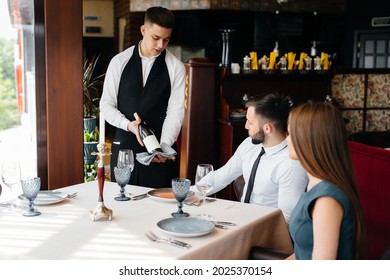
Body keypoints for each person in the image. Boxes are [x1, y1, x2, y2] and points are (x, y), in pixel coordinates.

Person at [100, 6, 185, 188]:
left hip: (160, 153)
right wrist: (128, 125)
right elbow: (106, 106)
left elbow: (175, 112)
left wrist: (164, 146)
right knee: (124, 208)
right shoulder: (118, 62)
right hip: (124, 149)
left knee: (159, 211)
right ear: (143, 30)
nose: (161, 45)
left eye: (166, 39)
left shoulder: (176, 67)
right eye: (156, 38)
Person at [193, 93, 308, 223]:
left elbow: (286, 220)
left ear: (267, 128)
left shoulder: (290, 166)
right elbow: (221, 176)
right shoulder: (250, 144)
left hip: (266, 231)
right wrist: (188, 193)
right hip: (241, 220)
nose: (246, 126)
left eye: (250, 122)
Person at [286, 102, 366, 259]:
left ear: (307, 139)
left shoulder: (326, 200)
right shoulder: (313, 185)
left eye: (289, 134)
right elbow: (301, 254)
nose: (286, 139)